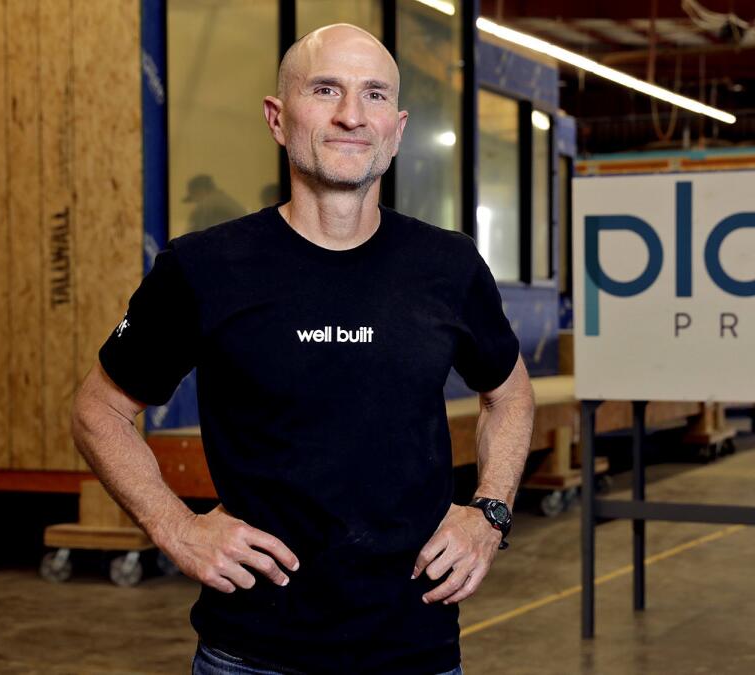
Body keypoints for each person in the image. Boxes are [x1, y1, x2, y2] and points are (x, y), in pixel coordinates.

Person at [71, 23, 535, 675]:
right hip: (251, 653)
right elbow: (99, 409)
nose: (352, 115)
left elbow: (510, 393)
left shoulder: (448, 264)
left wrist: (490, 511)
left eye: (374, 96)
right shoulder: (205, 266)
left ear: (397, 130)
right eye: (326, 90)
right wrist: (174, 526)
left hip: (415, 649)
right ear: (278, 118)